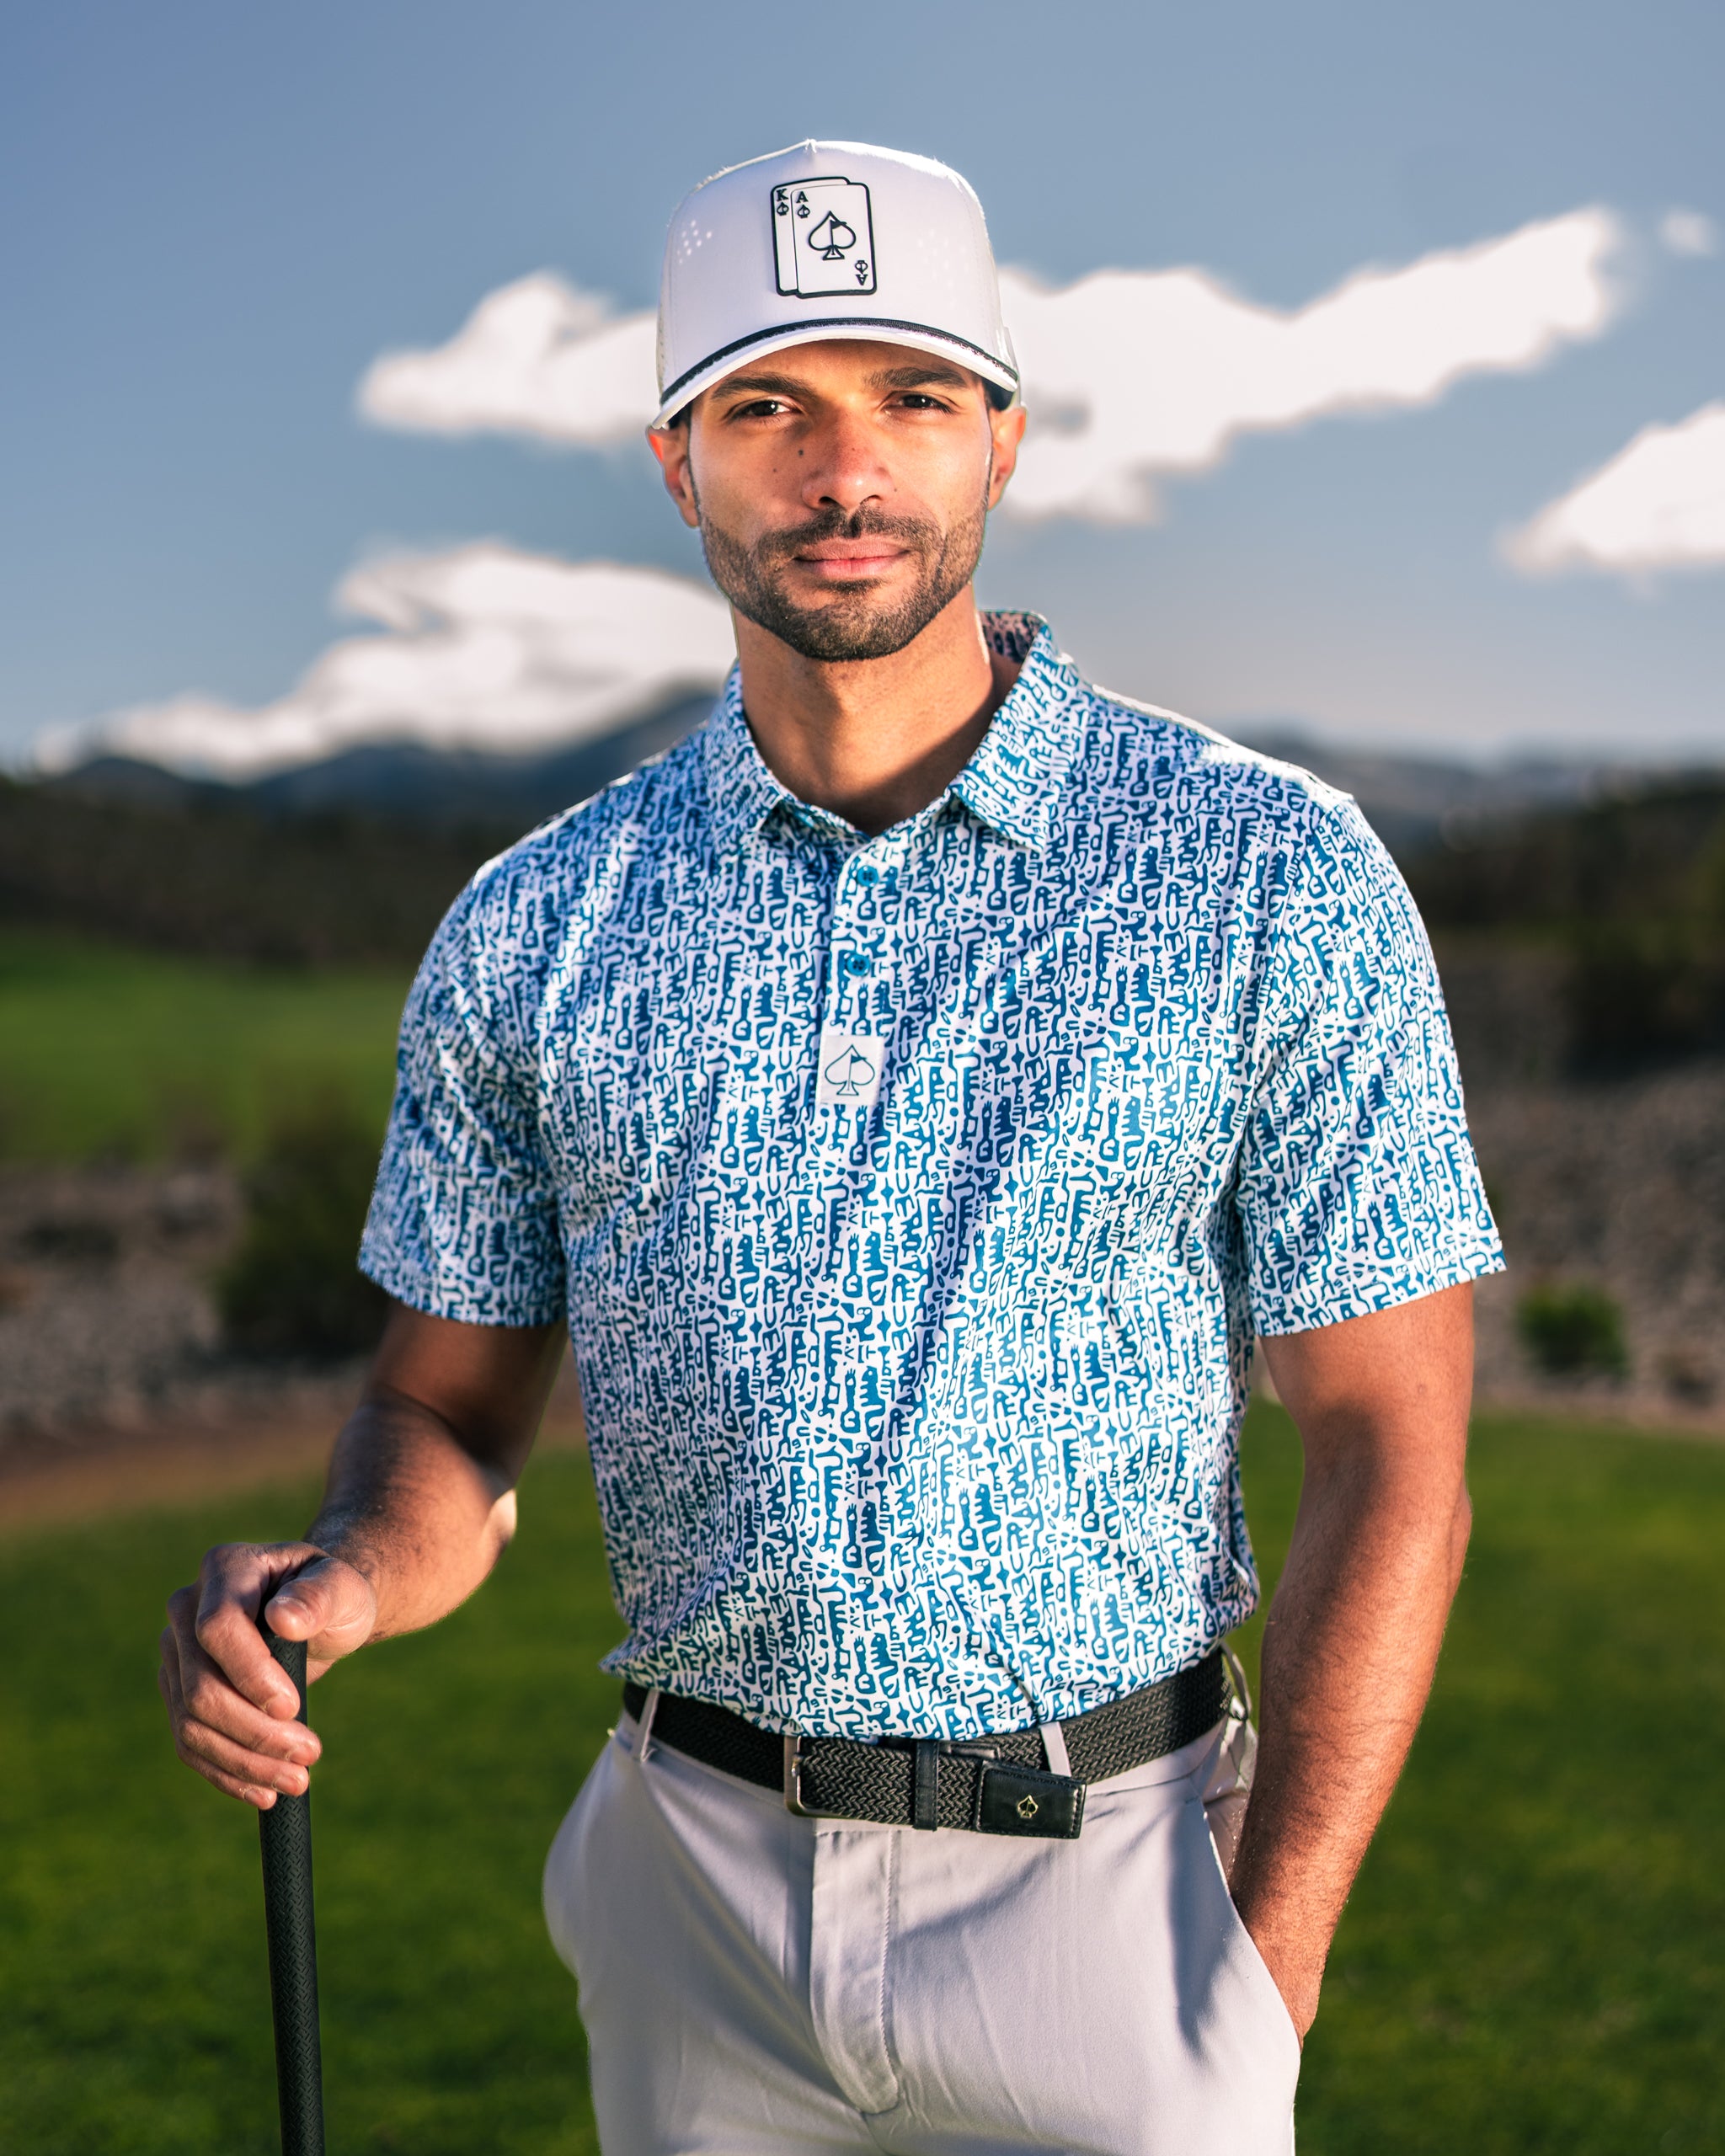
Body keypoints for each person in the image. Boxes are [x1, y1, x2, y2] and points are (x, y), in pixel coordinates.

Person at [160, 140, 1503, 2154]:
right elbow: (444, 1414)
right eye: (768, 404)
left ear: (1004, 440)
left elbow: (1394, 1436)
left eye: (911, 398)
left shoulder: (1265, 872)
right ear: (675, 458)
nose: (842, 470)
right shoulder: (537, 926)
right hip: (690, 1896)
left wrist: (1264, 1968)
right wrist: (346, 1573)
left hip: (1116, 1899)